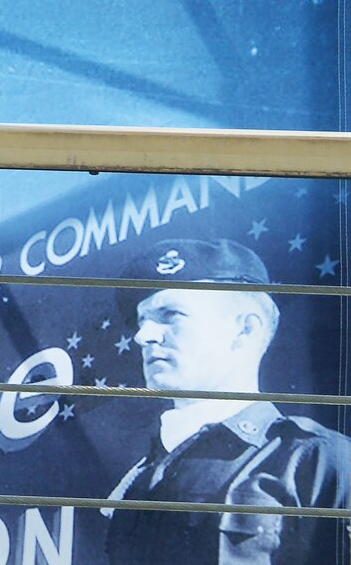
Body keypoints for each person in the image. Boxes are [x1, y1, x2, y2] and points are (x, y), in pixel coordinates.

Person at [105, 237, 351, 564]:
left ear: (244, 330)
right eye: (142, 319)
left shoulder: (319, 461)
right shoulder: (138, 481)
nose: (143, 335)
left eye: (171, 314)